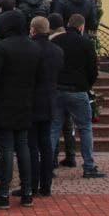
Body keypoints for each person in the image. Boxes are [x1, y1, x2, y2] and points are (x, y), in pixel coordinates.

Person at [0, 10, 43, 209]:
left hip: (5, 102)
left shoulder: (2, 47)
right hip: (26, 101)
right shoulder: (34, 47)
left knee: (6, 148)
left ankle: (3, 193)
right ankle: (27, 192)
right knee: (23, 146)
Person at [51, 14, 105, 179]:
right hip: (78, 90)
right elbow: (93, 70)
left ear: (68, 24)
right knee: (85, 128)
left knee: (53, 129)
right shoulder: (86, 43)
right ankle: (88, 166)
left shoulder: (56, 41)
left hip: (58, 90)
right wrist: (87, 85)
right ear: (81, 27)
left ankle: (46, 166)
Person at [27, 16, 63, 197]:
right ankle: (46, 186)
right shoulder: (57, 51)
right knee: (46, 145)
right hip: (50, 101)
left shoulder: (30, 48)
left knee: (32, 146)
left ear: (33, 30)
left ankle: (32, 185)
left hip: (32, 102)